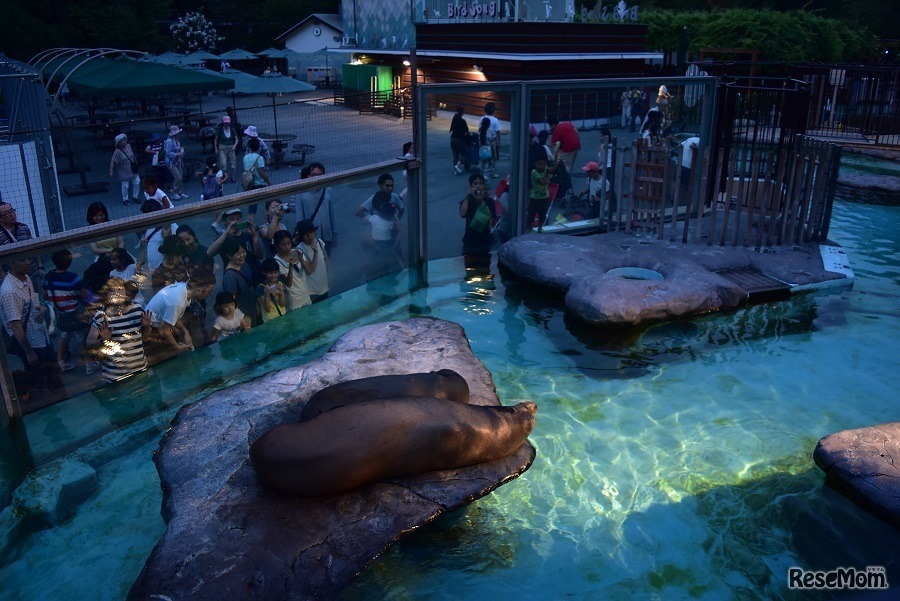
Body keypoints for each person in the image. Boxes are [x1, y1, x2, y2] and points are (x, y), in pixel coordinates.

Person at [1, 257, 65, 399]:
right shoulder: (9, 291)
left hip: (41, 336)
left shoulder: (26, 278)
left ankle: (59, 397)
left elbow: (33, 301)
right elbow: (15, 325)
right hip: (31, 343)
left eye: (29, 259)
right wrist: (29, 352)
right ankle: (45, 406)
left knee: (53, 370)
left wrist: (41, 307)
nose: (27, 262)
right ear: (11, 263)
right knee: (38, 377)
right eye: (22, 260)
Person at [84, 277, 150, 383]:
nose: (116, 293)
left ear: (126, 292)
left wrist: (147, 326)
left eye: (119, 289)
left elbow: (145, 338)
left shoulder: (137, 310)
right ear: (106, 295)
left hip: (140, 370)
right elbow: (89, 343)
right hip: (115, 377)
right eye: (112, 290)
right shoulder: (101, 316)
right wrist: (103, 340)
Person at [42, 249, 87, 372]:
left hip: (60, 315)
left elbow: (44, 296)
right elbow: (84, 296)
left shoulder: (48, 277)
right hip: (75, 314)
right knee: (82, 336)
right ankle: (88, 361)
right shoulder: (73, 278)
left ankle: (60, 362)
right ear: (70, 262)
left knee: (65, 335)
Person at [144, 280, 199, 362]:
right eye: (208, 291)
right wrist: (177, 347)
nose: (208, 294)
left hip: (158, 326)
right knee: (161, 359)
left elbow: (174, 317)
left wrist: (185, 332)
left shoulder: (183, 287)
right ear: (199, 290)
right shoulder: (177, 301)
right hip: (151, 329)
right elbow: (163, 329)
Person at [207, 207, 265, 282]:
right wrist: (226, 234)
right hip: (236, 279)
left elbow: (260, 256)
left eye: (238, 218)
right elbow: (209, 253)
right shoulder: (223, 239)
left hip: (255, 275)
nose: (235, 222)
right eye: (231, 219)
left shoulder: (248, 234)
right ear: (224, 221)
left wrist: (254, 236)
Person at [459, 173, 497, 271]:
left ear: (484, 186)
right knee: (469, 271)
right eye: (475, 184)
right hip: (470, 241)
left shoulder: (489, 201)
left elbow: (489, 217)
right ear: (470, 186)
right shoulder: (467, 200)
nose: (478, 186)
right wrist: (467, 197)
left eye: (480, 183)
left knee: (484, 271)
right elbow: (463, 214)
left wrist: (481, 202)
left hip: (484, 241)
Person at [296, 162, 336, 255]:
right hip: (309, 238)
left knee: (326, 260)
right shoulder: (301, 193)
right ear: (308, 176)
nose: (317, 178)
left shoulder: (328, 190)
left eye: (320, 175)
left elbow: (332, 214)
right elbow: (299, 217)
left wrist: (334, 233)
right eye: (314, 175)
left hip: (327, 236)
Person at [0, 202, 42, 285]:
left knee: (37, 297)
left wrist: (40, 266)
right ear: (0, 218)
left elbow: (34, 248)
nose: (12, 214)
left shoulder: (24, 227)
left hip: (32, 272)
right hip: (13, 279)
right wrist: (4, 279)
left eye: (12, 210)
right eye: (7, 213)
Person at [220, 240, 258, 325]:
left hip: (251, 308)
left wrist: (256, 304)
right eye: (238, 254)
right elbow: (230, 302)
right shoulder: (229, 277)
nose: (242, 256)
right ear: (229, 256)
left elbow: (250, 286)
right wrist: (241, 318)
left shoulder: (244, 264)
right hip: (242, 315)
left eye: (243, 252)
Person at [272, 230, 311, 311]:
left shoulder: (296, 252)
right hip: (294, 302)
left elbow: (309, 271)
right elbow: (288, 283)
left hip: (306, 297)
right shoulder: (276, 261)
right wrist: (290, 267)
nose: (287, 247)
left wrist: (302, 260)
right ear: (276, 246)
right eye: (283, 244)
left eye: (289, 243)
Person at [295, 220, 329, 303]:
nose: (310, 236)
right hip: (312, 291)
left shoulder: (320, 242)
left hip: (324, 287)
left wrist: (329, 277)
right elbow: (309, 271)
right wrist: (315, 253)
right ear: (302, 236)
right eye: (306, 234)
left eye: (311, 232)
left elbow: (326, 260)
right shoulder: (300, 249)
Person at [526, 152, 559, 233]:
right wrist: (549, 175)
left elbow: (555, 167)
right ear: (535, 164)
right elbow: (543, 182)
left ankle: (540, 228)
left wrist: (556, 157)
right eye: (539, 164)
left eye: (544, 164)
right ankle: (530, 228)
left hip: (544, 197)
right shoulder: (534, 172)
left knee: (542, 214)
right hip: (535, 197)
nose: (542, 166)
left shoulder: (545, 169)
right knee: (531, 215)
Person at [108, 133, 141, 206]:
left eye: (125, 140)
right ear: (119, 143)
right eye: (123, 141)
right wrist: (111, 171)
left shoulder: (129, 146)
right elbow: (112, 161)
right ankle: (125, 199)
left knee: (137, 181)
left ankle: (135, 196)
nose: (125, 142)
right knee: (125, 186)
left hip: (132, 169)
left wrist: (136, 162)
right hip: (124, 171)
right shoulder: (117, 152)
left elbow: (132, 155)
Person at [255, 258, 287, 323]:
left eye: (276, 272)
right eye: (270, 273)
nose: (273, 275)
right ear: (263, 273)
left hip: (283, 316)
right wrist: (266, 295)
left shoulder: (279, 283)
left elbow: (282, 304)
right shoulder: (261, 287)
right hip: (270, 320)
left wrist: (281, 293)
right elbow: (267, 309)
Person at [163, 125, 188, 200]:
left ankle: (180, 192)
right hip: (171, 162)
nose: (179, 134)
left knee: (181, 177)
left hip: (178, 161)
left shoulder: (177, 140)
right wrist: (178, 154)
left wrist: (182, 150)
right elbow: (168, 153)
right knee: (178, 177)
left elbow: (178, 149)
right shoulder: (169, 141)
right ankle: (173, 192)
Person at [214, 115, 238, 180]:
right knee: (223, 165)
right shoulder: (220, 130)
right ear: (223, 123)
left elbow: (236, 139)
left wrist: (234, 145)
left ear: (229, 122)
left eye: (227, 123)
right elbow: (216, 139)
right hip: (222, 148)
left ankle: (232, 177)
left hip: (231, 148)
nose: (226, 124)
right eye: (225, 123)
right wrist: (216, 148)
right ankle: (224, 176)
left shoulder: (232, 130)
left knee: (233, 165)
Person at [450, 106, 469, 175]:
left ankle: (456, 169)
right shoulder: (462, 121)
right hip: (459, 139)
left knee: (455, 154)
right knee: (465, 153)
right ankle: (458, 166)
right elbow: (466, 131)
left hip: (452, 138)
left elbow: (451, 128)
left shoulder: (454, 118)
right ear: (462, 113)